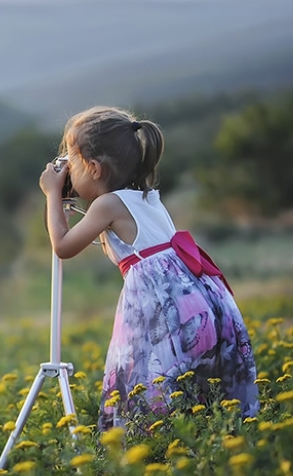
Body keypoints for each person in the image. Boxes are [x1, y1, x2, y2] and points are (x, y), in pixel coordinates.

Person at [39, 106, 258, 431]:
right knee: (198, 395)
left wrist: (52, 194)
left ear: (95, 168)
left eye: (72, 160)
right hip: (204, 305)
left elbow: (63, 246)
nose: (67, 170)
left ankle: (148, 451)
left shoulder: (107, 204)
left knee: (144, 386)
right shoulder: (148, 197)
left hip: (163, 313)